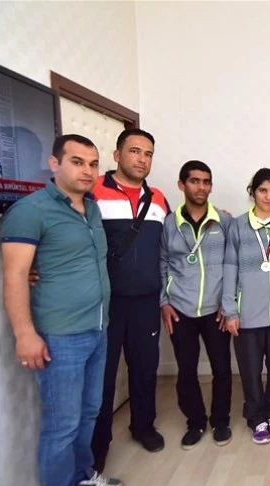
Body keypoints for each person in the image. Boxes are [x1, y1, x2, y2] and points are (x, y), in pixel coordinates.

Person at [1, 134, 123, 486]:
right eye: (77, 161)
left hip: (97, 327)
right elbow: (15, 275)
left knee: (89, 411)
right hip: (60, 334)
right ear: (55, 164)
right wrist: (25, 333)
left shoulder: (92, 208)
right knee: (62, 422)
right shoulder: (29, 210)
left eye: (93, 163)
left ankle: (82, 474)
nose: (87, 170)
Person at [91, 129, 170, 468]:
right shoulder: (94, 192)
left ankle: (143, 426)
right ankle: (98, 446)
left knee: (145, 368)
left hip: (146, 301)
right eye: (135, 151)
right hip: (106, 302)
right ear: (117, 155)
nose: (142, 159)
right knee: (102, 376)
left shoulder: (159, 199)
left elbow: (171, 244)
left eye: (148, 153)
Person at [222, 168, 270, 444]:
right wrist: (230, 310)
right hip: (247, 315)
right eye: (262, 190)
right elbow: (229, 268)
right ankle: (256, 417)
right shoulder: (238, 226)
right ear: (253, 192)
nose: (268, 197)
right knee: (251, 369)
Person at [159, 160, 233, 450]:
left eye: (206, 182)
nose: (201, 187)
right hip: (181, 309)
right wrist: (164, 301)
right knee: (186, 371)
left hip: (216, 309)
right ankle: (196, 422)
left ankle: (221, 421)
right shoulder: (169, 223)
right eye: (194, 181)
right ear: (182, 185)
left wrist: (228, 303)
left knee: (222, 369)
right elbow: (162, 263)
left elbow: (233, 264)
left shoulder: (223, 221)